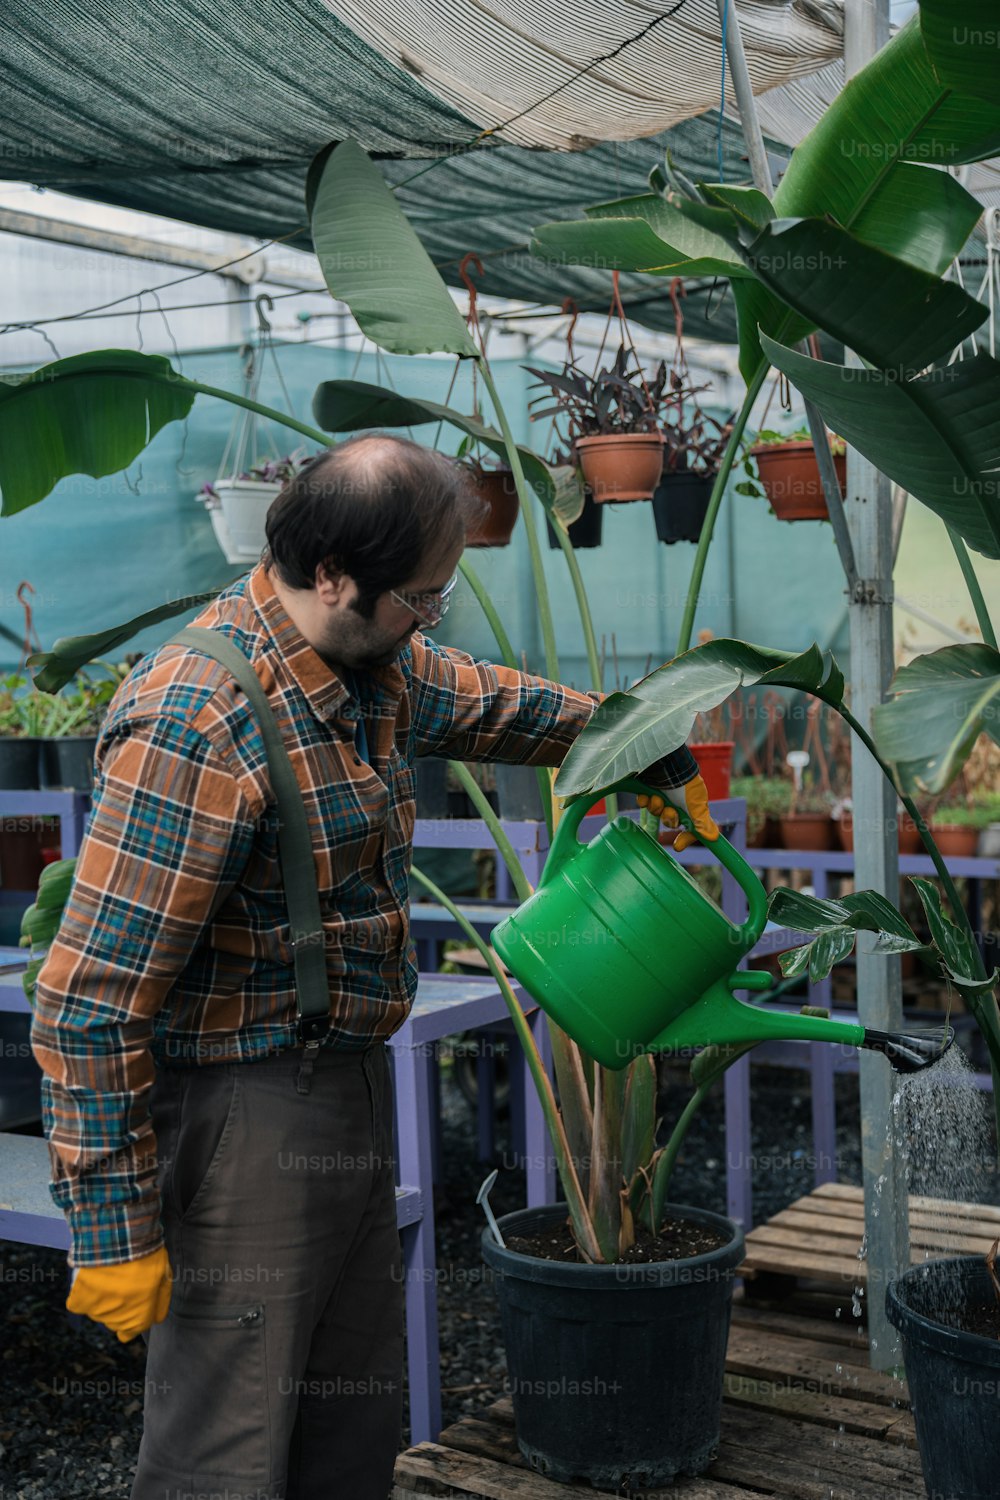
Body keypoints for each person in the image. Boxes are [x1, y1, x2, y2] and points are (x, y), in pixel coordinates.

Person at [30, 433, 719, 1500]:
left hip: (345, 1093)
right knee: (229, 1443)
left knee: (347, 1425)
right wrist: (113, 1231)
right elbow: (88, 1001)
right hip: (238, 1118)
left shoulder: (372, 660)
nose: (429, 621)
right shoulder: (197, 721)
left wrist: (645, 740)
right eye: (421, 599)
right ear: (334, 576)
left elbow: (494, 703)